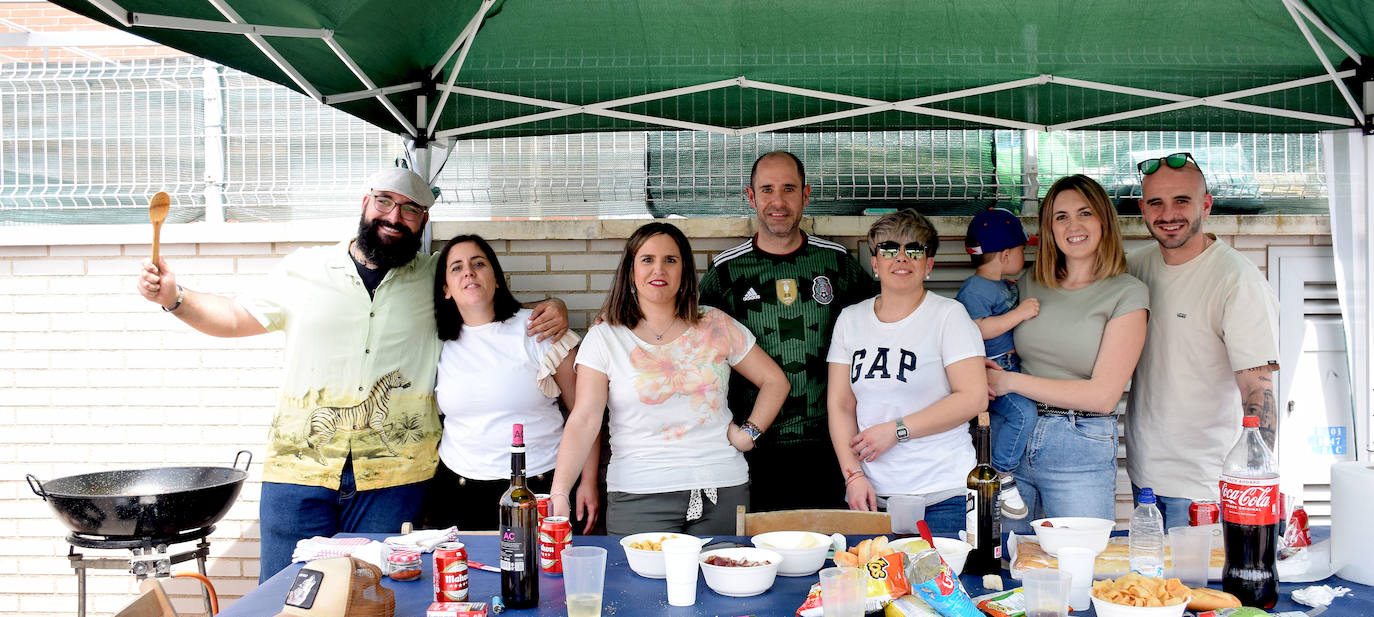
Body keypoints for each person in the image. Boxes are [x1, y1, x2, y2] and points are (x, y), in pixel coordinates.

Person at [135, 168, 567, 581]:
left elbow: (484, 300)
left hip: (394, 477)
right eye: (384, 201)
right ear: (365, 203)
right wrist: (177, 297)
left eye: (409, 209)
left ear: (423, 221)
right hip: (299, 469)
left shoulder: (433, 275)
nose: (394, 216)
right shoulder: (304, 270)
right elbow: (232, 317)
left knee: (377, 591)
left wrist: (553, 310)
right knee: (291, 591)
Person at [548, 222, 788, 535]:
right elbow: (584, 420)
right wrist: (560, 492)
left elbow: (775, 381)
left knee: (724, 581)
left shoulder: (715, 324)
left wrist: (748, 434)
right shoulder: (606, 338)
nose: (658, 268)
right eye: (647, 259)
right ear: (630, 271)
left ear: (685, 271)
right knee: (639, 585)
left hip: (722, 488)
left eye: (670, 260)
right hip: (638, 495)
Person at [698, 151, 877, 511]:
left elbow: (884, 326)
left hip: (830, 443)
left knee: (829, 552)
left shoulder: (837, 263)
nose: (778, 202)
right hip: (753, 444)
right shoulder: (726, 272)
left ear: (805, 195)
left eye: (789, 189)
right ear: (751, 197)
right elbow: (689, 342)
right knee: (759, 554)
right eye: (767, 190)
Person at [1126, 153, 1281, 529]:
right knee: (1150, 588)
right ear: (1142, 209)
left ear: (1206, 205)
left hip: (1204, 487)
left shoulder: (1236, 280)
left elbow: (1258, 392)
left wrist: (1251, 484)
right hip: (1143, 475)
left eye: (1182, 201)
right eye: (1156, 203)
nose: (1168, 214)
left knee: (1199, 588)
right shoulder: (1136, 266)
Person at [986, 174, 1148, 527]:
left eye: (1084, 213)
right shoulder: (1029, 282)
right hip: (1012, 435)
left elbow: (1103, 396)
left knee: (1078, 566)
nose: (1073, 225)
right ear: (1049, 228)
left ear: (1103, 219)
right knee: (1007, 564)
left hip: (1078, 442)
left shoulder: (1128, 293)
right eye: (1061, 216)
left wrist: (1010, 383)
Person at [422, 234, 600, 533]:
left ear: (497, 279)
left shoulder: (538, 329)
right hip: (457, 490)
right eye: (456, 267)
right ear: (446, 290)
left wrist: (588, 481)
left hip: (540, 489)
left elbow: (587, 414)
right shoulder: (436, 342)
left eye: (479, 263)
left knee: (544, 579)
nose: (468, 272)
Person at [826, 209, 987, 537]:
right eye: (888, 249)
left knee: (942, 588)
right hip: (872, 498)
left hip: (943, 497)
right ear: (874, 262)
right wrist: (853, 476)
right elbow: (841, 404)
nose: (901, 258)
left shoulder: (949, 316)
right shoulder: (850, 320)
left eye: (914, 249)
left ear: (928, 264)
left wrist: (896, 431)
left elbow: (973, 397)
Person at [956, 207, 1039, 520]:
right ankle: (1002, 474)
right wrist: (1019, 314)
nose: (1024, 255)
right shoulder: (974, 289)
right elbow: (975, 328)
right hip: (992, 373)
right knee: (1022, 414)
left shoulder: (1003, 284)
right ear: (1005, 254)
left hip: (1011, 367)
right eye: (1022, 249)